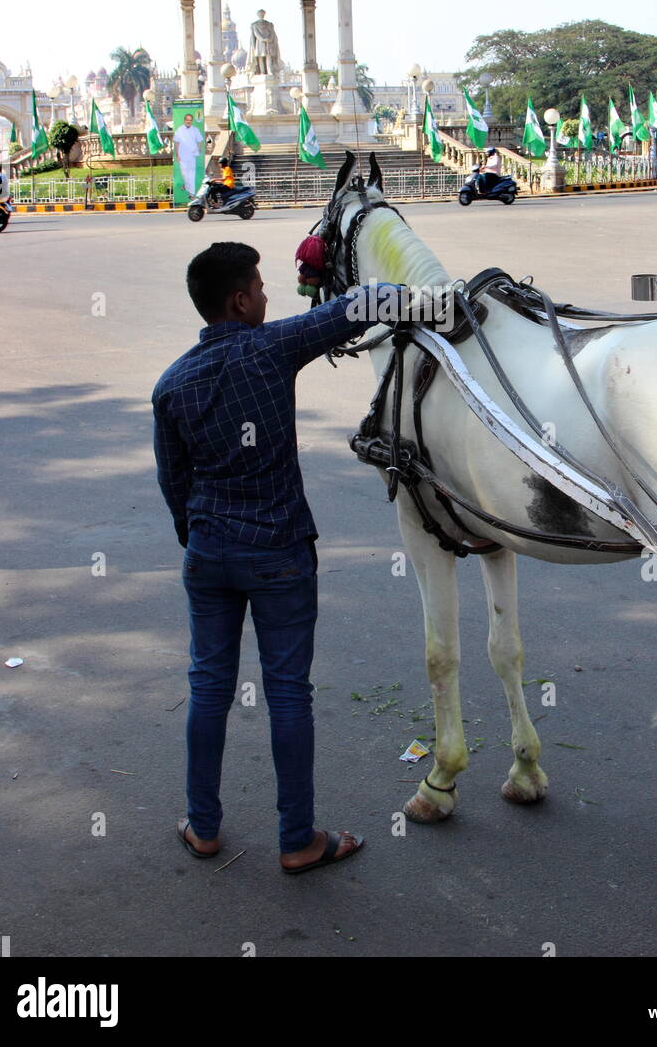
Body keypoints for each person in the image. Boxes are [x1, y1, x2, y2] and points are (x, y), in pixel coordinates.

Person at [152, 242, 401, 873]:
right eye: (260, 286)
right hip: (280, 553)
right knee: (288, 693)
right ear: (239, 300)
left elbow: (173, 485)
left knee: (208, 687)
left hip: (209, 553)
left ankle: (203, 827)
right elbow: (353, 309)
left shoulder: (171, 384)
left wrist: (201, 537)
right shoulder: (271, 349)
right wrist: (427, 294)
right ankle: (298, 841)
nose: (267, 295)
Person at [175, 114, 203, 198]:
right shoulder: (179, 130)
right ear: (184, 120)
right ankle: (186, 186)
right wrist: (177, 155)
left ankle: (192, 194)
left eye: (190, 120)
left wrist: (198, 149)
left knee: (191, 174)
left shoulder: (195, 130)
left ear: (192, 121)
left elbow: (199, 141)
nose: (188, 121)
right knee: (184, 174)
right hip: (182, 155)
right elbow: (176, 143)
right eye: (187, 120)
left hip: (192, 155)